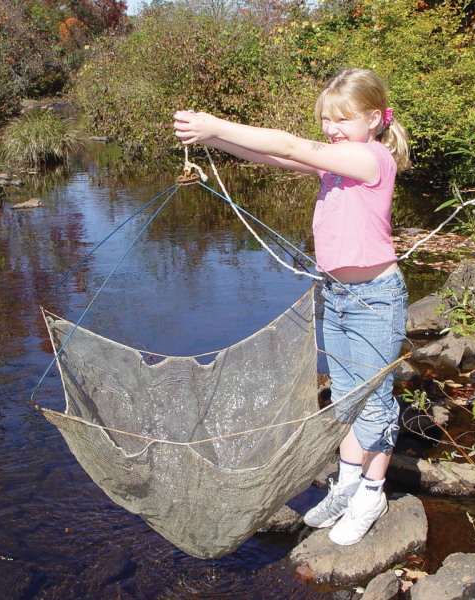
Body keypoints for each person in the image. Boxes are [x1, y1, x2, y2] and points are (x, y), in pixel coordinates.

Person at [173, 68, 410, 546]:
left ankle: (372, 490)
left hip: (374, 299)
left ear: (374, 119)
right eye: (325, 119)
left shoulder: (371, 158)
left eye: (342, 118)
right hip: (338, 296)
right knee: (345, 397)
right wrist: (214, 142)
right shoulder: (339, 161)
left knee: (374, 403)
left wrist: (216, 123)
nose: (330, 128)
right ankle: (346, 482)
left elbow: (290, 145)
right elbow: (272, 156)